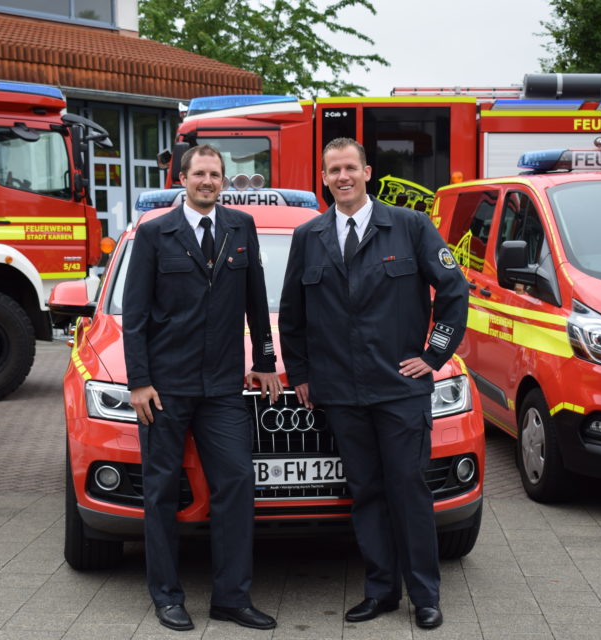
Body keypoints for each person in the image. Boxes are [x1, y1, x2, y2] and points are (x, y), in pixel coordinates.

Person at [278, 138, 468, 630]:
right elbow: (293, 315)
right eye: (333, 170)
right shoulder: (309, 236)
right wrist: (301, 374)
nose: (342, 177)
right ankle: (381, 591)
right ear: (324, 179)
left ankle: (424, 596)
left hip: (399, 389)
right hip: (342, 393)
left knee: (408, 490)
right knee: (365, 493)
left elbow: (453, 289)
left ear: (367, 172)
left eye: (350, 168)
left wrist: (434, 355)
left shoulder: (410, 226)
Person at [123, 144, 282, 632]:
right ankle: (167, 597)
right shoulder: (155, 233)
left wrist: (265, 362)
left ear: (224, 181)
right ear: (183, 179)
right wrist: (139, 382)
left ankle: (231, 598)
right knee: (161, 492)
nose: (208, 182)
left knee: (236, 483)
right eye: (200, 174)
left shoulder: (241, 227)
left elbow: (257, 300)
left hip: (223, 388)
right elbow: (135, 314)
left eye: (215, 175)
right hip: (165, 388)